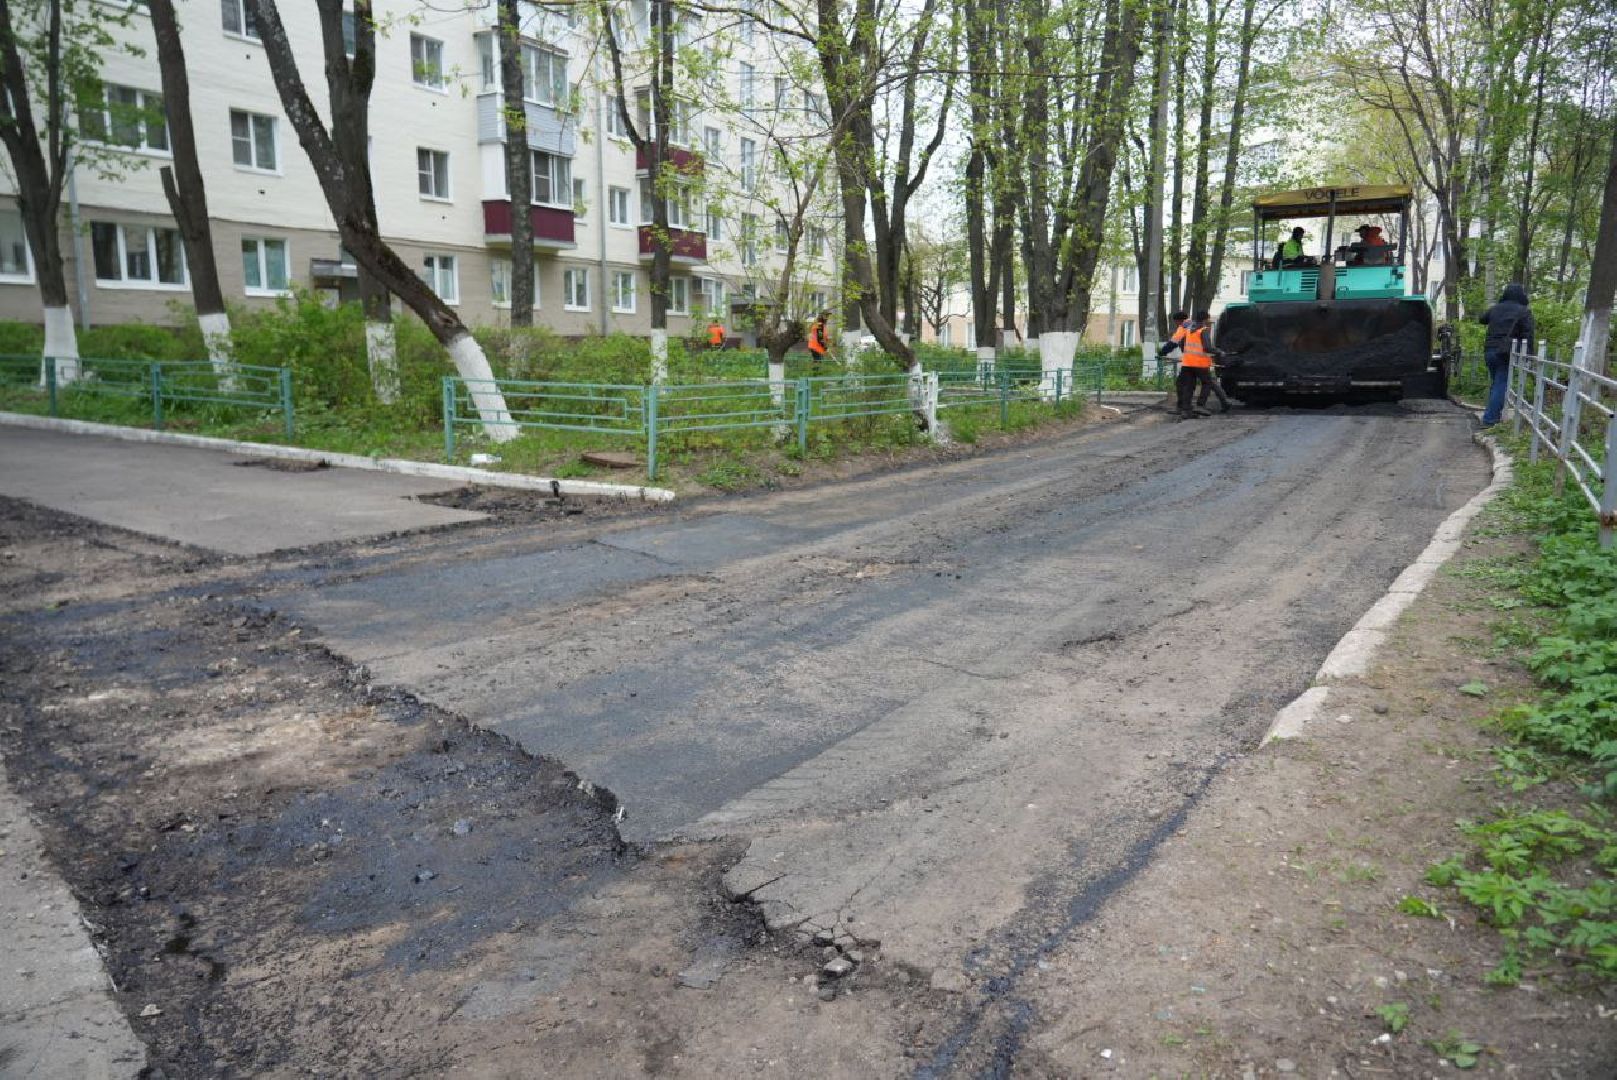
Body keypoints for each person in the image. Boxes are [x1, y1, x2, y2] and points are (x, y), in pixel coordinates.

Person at [1477, 283, 1534, 427]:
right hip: (1506, 352)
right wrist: (1528, 354)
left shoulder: (1496, 309)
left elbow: (1482, 319)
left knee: (1496, 383)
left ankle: (1493, 413)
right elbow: (1528, 334)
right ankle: (1490, 419)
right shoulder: (1524, 311)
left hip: (1489, 351)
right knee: (1501, 384)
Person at [1159, 309, 1223, 420]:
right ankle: (1197, 407)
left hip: (1191, 362)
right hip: (1199, 362)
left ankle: (1185, 408)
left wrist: (1162, 352)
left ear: (1179, 321)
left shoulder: (1185, 327)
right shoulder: (1194, 326)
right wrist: (1219, 352)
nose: (1176, 324)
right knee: (1207, 383)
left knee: (1185, 384)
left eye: (1176, 322)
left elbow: (1174, 342)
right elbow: (1204, 346)